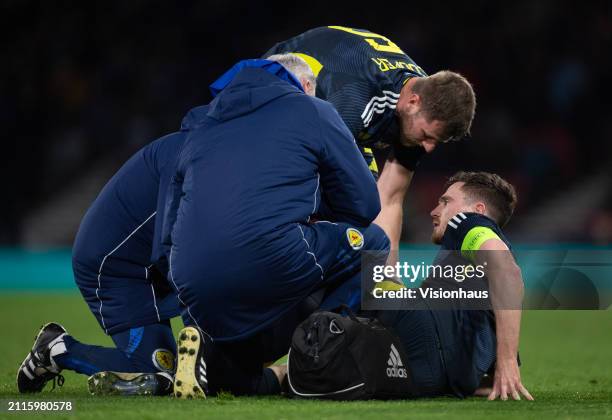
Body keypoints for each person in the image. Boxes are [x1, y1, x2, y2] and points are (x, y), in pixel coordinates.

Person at [15, 55, 323, 396]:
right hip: (116, 267)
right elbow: (174, 241)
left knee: (188, 364)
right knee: (162, 375)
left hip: (153, 265)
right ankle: (56, 349)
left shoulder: (233, 145)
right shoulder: (198, 147)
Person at [164, 57, 390, 398]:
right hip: (273, 255)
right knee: (374, 243)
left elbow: (169, 228)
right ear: (307, 87)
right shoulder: (313, 111)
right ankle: (318, 357)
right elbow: (365, 206)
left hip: (191, 280)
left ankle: (210, 356)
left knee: (241, 382)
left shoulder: (200, 127)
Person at [265, 26, 477, 251]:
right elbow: (298, 163)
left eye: (437, 141)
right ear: (412, 102)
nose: (429, 147)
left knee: (365, 203)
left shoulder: (424, 102)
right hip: (273, 93)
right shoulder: (355, 99)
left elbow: (390, 198)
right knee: (339, 200)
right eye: (427, 136)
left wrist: (388, 278)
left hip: (328, 110)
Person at [374, 171, 533, 400]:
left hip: (410, 352)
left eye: (445, 202)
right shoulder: (481, 274)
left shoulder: (467, 222)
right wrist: (497, 368)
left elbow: (508, 272)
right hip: (439, 377)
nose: (434, 211)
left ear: (478, 210)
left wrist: (507, 362)